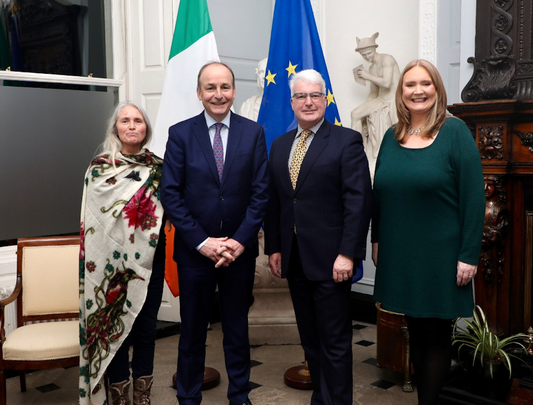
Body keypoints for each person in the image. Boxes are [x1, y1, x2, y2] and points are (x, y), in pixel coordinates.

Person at [371, 59, 486, 405]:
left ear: (437, 90)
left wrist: (468, 255)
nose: (417, 91)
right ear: (401, 92)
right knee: (416, 334)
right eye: (410, 85)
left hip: (442, 256)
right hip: (400, 253)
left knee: (435, 337)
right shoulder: (393, 137)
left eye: (425, 84)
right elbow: (380, 194)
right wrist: (376, 240)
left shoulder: (456, 133)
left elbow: (474, 198)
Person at [161, 61, 269, 405]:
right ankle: (189, 397)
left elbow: (261, 193)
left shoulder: (254, 133)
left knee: (237, 330)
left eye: (224, 87)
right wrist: (203, 242)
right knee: (192, 333)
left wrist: (238, 241)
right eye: (210, 87)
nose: (218, 94)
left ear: (234, 91)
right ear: (199, 93)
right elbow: (171, 194)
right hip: (195, 254)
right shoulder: (180, 134)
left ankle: (239, 396)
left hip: (239, 253)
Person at [264, 69, 373, 405]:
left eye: (315, 95)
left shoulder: (346, 140)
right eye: (301, 96)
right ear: (292, 102)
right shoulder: (281, 145)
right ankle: (321, 398)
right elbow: (277, 201)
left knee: (335, 342)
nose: (308, 102)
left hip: (331, 260)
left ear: (325, 99)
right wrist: (275, 248)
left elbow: (358, 201)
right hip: (295, 258)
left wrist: (348, 253)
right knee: (310, 339)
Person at [79, 102, 166, 405]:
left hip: (150, 263)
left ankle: (142, 397)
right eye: (125, 120)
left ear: (146, 128)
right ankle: (120, 396)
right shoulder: (101, 168)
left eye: (138, 121)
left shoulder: (159, 167)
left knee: (145, 330)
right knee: (117, 331)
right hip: (110, 266)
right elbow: (94, 220)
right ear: (115, 127)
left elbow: (169, 213)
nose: (131, 126)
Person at [350, 32, 400, 178]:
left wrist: (366, 76)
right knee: (355, 114)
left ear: (374, 49)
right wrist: (366, 111)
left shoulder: (387, 59)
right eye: (363, 55)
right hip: (381, 99)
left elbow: (387, 82)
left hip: (394, 100)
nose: (366, 57)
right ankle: (355, 154)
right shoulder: (371, 68)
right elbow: (374, 93)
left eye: (368, 53)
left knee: (396, 130)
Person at [239, 57, 267, 121]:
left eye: (268, 72)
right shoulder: (247, 105)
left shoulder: (284, 107)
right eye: (261, 72)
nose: (264, 76)